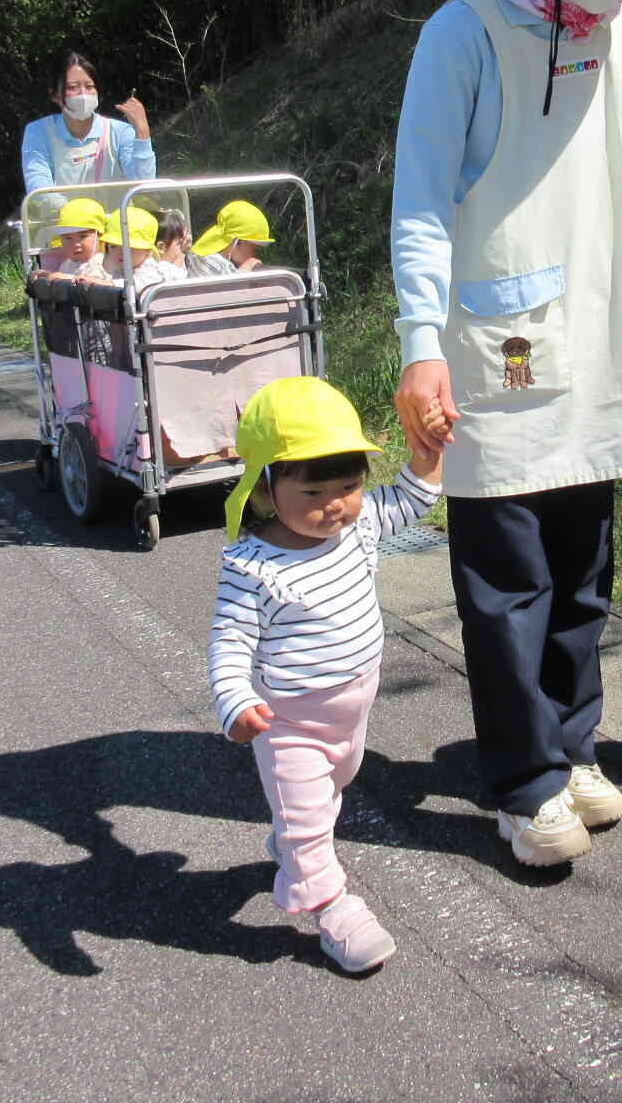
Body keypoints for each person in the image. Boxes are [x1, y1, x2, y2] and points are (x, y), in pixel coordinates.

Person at [389, 0, 622, 867]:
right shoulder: (464, 33)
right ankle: (520, 786)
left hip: (606, 332)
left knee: (582, 567)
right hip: (497, 341)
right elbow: (421, 201)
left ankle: (572, 749)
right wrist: (418, 345)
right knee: (506, 577)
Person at [208, 377, 444, 974]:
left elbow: (412, 501)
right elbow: (230, 641)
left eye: (349, 485)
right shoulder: (252, 564)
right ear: (266, 486)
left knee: (329, 794)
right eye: (313, 491)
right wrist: (234, 699)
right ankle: (334, 909)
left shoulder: (355, 529)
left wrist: (427, 458)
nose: (334, 504)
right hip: (289, 721)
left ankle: (296, 846)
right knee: (309, 813)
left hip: (353, 711)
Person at [19, 52, 156, 194]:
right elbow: (38, 187)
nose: (83, 94)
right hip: (63, 215)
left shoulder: (120, 132)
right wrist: (70, 211)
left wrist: (142, 132)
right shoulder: (38, 132)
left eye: (89, 86)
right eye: (72, 87)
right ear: (54, 94)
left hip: (118, 216)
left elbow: (144, 187)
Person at [35, 197, 114, 285]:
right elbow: (61, 277)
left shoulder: (101, 263)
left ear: (98, 236)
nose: (75, 244)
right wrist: (49, 275)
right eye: (68, 238)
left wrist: (65, 278)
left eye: (83, 236)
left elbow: (98, 286)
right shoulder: (67, 263)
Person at [189, 200, 271, 277]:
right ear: (238, 242)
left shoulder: (209, 257)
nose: (255, 255)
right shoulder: (211, 262)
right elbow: (230, 290)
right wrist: (248, 266)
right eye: (254, 249)